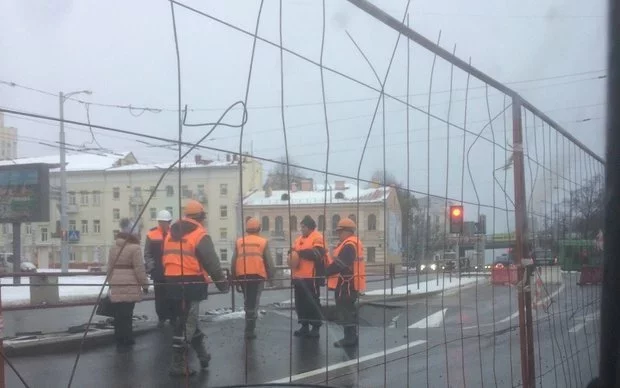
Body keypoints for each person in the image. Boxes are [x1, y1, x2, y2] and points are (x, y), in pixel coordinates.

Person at [162, 199, 229, 377]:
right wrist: (222, 284)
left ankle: (202, 355)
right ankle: (177, 364)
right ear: (200, 217)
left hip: (171, 282)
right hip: (190, 284)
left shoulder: (171, 232)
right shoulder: (199, 234)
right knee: (186, 324)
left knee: (187, 320)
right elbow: (212, 263)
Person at [107, 218, 150, 348]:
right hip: (130, 283)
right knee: (127, 313)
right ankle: (127, 339)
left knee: (118, 313)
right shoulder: (135, 248)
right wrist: (145, 285)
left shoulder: (114, 247)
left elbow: (109, 267)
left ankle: (118, 338)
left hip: (116, 282)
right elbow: (139, 269)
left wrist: (110, 282)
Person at [231, 217, 275, 340]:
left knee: (247, 300)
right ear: (259, 229)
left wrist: (233, 277)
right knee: (254, 301)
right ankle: (250, 329)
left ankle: (248, 323)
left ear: (247, 229)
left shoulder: (239, 241)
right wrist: (271, 277)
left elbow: (233, 260)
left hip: (242, 275)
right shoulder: (263, 241)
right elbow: (269, 262)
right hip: (257, 275)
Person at [325, 217, 366, 348]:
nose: (338, 234)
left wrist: (325, 272)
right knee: (347, 310)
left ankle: (350, 338)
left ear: (348, 231)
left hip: (347, 284)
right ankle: (351, 336)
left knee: (345, 311)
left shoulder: (349, 245)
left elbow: (340, 264)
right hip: (349, 283)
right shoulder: (351, 243)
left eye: (340, 231)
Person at [288, 215, 328, 338]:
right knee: (300, 303)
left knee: (312, 302)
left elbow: (317, 253)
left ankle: (316, 327)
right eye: (301, 226)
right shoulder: (298, 239)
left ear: (310, 227)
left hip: (312, 278)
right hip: (298, 278)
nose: (301, 229)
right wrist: (291, 254)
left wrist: (298, 253)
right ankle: (304, 325)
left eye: (304, 226)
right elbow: (292, 252)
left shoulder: (317, 237)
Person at [144, 209, 174, 327]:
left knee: (172, 295)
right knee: (160, 296)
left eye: (165, 222)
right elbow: (147, 253)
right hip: (158, 272)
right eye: (161, 221)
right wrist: (152, 267)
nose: (162, 224)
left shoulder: (174, 234)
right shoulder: (151, 234)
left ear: (169, 222)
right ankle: (162, 317)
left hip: (172, 271)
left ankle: (172, 316)